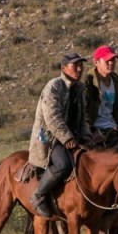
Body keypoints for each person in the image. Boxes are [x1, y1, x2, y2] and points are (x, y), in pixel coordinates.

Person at [28, 51, 93, 218]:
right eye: (75, 66)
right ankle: (38, 195)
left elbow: (83, 117)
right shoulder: (53, 86)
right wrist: (67, 138)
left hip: (74, 136)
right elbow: (52, 117)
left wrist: (87, 135)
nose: (79, 69)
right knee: (62, 164)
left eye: (81, 66)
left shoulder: (79, 88)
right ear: (64, 68)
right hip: (51, 138)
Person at [83, 45, 118, 147]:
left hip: (115, 129)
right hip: (95, 130)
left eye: (113, 60)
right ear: (96, 62)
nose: (111, 63)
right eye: (107, 60)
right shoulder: (88, 84)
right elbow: (83, 113)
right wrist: (91, 131)